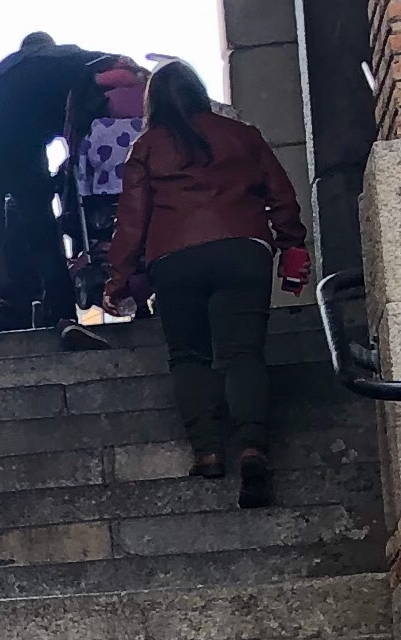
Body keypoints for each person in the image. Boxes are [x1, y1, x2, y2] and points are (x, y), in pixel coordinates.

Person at [103, 59, 311, 500]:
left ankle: (209, 453)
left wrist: (118, 279)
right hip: (243, 251)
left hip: (174, 260)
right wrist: (291, 243)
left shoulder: (147, 147)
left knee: (189, 357)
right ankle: (252, 447)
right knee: (242, 353)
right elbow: (282, 196)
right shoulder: (242, 135)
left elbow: (132, 221)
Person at [0, 32, 99, 332]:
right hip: (22, 149)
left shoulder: (8, 75)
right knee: (44, 233)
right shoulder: (58, 58)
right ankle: (64, 316)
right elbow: (98, 61)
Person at [69, 53, 148, 305]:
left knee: (105, 234)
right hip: (144, 189)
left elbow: (83, 162)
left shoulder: (98, 122)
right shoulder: (149, 115)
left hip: (103, 191)